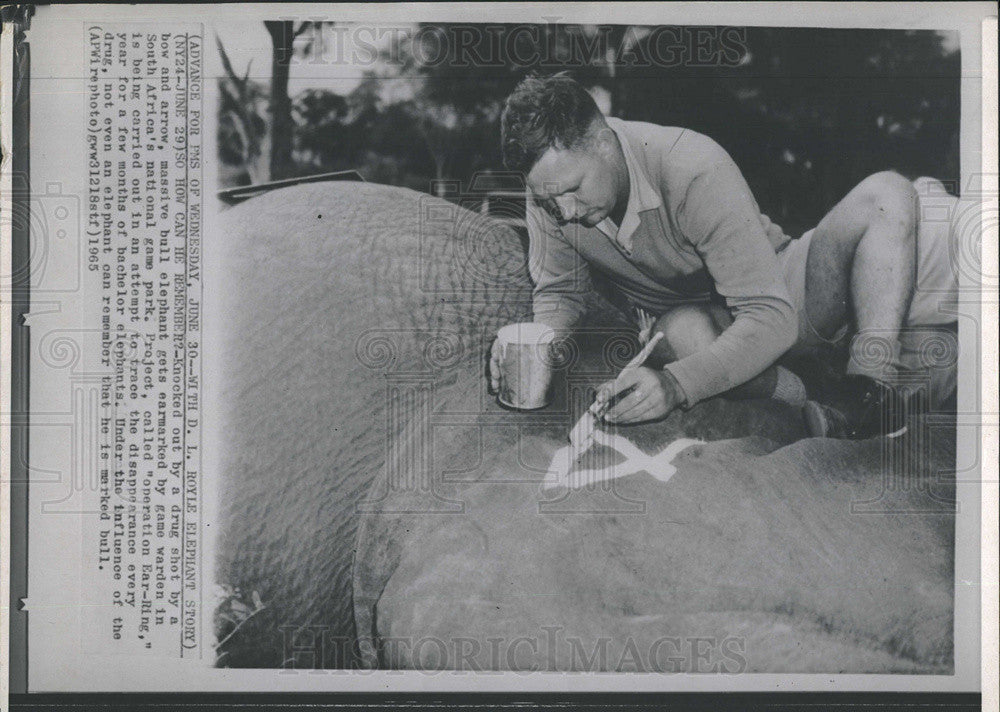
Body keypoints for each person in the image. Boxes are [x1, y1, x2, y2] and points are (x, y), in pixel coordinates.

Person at [489, 73, 959, 439]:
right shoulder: (547, 194)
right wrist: (539, 347)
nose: (564, 212)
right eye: (550, 200)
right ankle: (810, 394)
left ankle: (868, 396)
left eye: (572, 190)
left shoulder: (691, 164)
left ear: (603, 139)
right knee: (681, 331)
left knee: (888, 193)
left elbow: (773, 316)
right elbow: (560, 291)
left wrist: (675, 386)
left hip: (780, 291)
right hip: (704, 322)